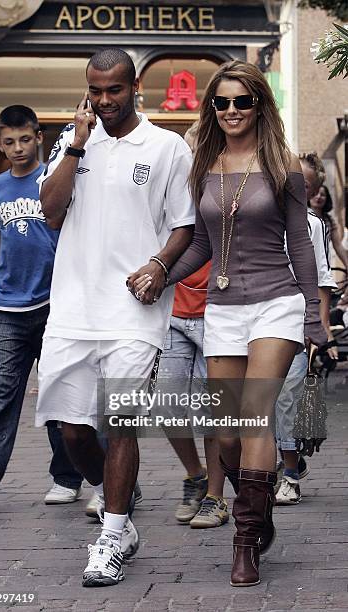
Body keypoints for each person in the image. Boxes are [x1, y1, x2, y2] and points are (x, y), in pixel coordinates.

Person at [130, 60, 327, 587]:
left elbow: (300, 243)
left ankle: (246, 539)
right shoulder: (202, 165)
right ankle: (258, 508)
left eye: (243, 101)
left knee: (253, 415)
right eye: (222, 102)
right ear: (211, 109)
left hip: (276, 303)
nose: (233, 110)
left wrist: (313, 314)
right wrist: (161, 273)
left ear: (260, 105)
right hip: (223, 307)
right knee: (226, 430)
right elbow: (199, 244)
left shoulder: (282, 164)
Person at [35, 48, 195, 587]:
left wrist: (158, 265)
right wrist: (77, 146)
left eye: (115, 90)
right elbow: (50, 211)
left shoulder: (167, 146)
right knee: (74, 431)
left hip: (132, 312)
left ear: (134, 89)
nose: (104, 100)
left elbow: (184, 224)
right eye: (95, 90)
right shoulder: (72, 141)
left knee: (120, 423)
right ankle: (113, 495)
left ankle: (114, 533)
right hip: (73, 309)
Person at [0, 105, 83, 512]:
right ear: (0, 144)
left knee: (59, 393)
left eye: (25, 139)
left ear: (38, 137)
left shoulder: (55, 177)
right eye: (9, 142)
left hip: (57, 303)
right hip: (8, 308)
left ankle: (70, 477)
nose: (18, 148)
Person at [160, 123, 228, 529]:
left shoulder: (225, 192)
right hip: (172, 313)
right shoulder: (171, 193)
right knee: (167, 405)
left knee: (214, 413)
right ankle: (195, 476)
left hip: (216, 313)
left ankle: (216, 498)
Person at [275, 153, 337, 505]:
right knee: (261, 397)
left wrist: (321, 329)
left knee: (287, 397)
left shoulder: (312, 225)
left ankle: (289, 474)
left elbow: (322, 279)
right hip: (260, 318)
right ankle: (289, 459)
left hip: (297, 322)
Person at [309, 182, 348, 270]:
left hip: (323, 265)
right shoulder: (302, 217)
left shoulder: (329, 220)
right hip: (305, 264)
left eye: (322, 195)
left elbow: (338, 245)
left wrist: (347, 264)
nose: (318, 197)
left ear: (327, 199)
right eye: (315, 194)